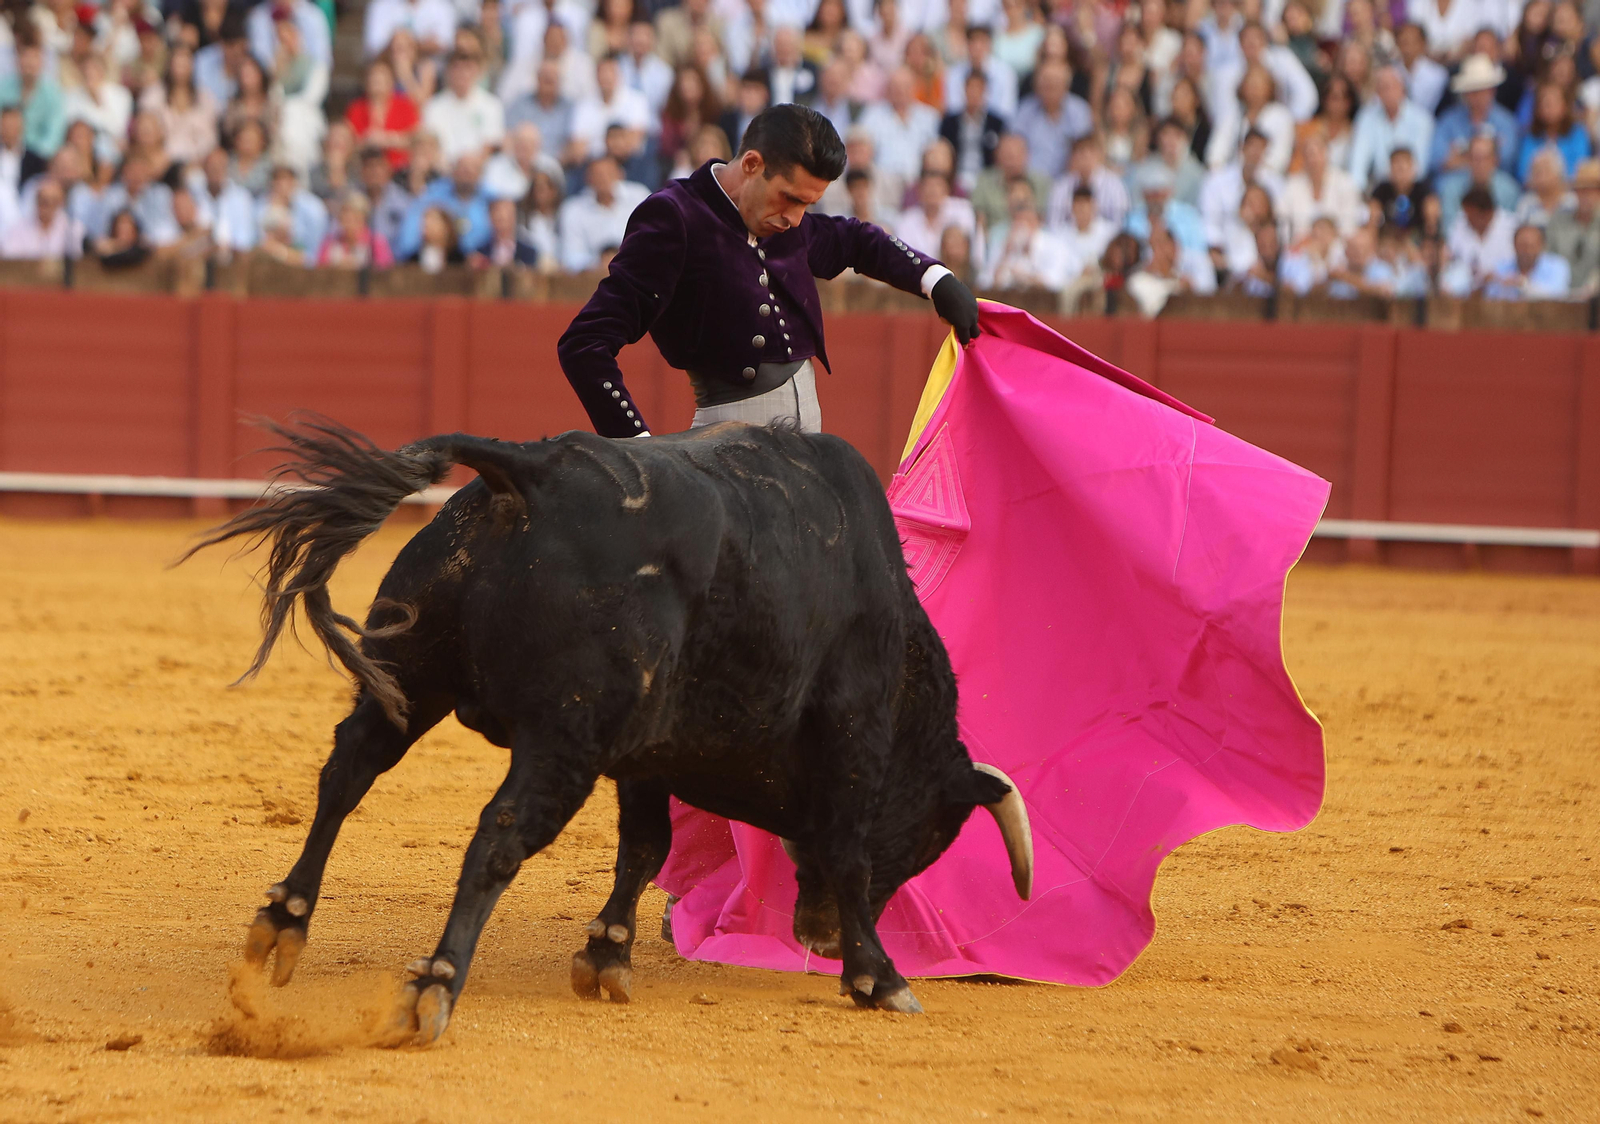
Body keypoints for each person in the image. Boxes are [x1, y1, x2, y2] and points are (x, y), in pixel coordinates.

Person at [557, 104, 979, 438]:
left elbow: (856, 240)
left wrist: (935, 279)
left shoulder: (777, 218)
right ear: (753, 165)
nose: (795, 219)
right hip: (727, 445)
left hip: (808, 437)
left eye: (807, 205)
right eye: (789, 198)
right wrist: (637, 447)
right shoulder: (674, 218)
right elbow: (585, 342)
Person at [1431, 54, 1521, 176]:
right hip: (1455, 184)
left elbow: (1506, 159)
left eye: (1482, 90)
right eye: (1472, 91)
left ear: (1492, 91)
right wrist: (1485, 158)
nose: (1477, 97)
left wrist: (1461, 158)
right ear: (1465, 94)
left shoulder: (1506, 122)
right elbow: (1438, 160)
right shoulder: (1448, 121)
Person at [556, 153, 648, 272]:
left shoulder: (640, 197)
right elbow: (571, 256)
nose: (603, 179)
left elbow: (652, 238)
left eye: (608, 174)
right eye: (597, 175)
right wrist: (599, 264)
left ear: (620, 174)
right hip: (593, 280)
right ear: (587, 178)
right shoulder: (573, 209)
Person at [1349, 66, 1434, 188]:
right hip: (1378, 188)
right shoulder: (1366, 117)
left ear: (1402, 88)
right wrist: (1358, 191)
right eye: (1383, 88)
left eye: (1392, 86)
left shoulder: (1422, 119)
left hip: (1413, 188)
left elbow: (1419, 167)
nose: (1388, 92)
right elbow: (1358, 162)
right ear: (1377, 93)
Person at [424, 49, 506, 163]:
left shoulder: (492, 105)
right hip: (444, 171)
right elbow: (432, 146)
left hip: (479, 171)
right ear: (448, 71)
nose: (462, 73)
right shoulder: (433, 106)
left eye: (467, 68)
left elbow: (490, 147)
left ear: (478, 72)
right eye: (457, 68)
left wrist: (469, 168)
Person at [939, 70, 1003, 195]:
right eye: (971, 88)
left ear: (986, 92)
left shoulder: (997, 123)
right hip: (956, 176)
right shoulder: (949, 122)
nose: (974, 93)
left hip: (986, 177)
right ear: (964, 90)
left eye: (979, 89)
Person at [895, 168, 976, 258]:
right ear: (919, 191)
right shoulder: (906, 220)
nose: (933, 191)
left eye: (938, 186)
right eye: (928, 186)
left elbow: (973, 251)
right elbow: (903, 256)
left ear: (947, 190)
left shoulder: (962, 211)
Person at [1546, 157, 1600, 293]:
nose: (1586, 196)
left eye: (1592, 190)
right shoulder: (1558, 222)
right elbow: (1547, 260)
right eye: (1581, 190)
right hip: (1559, 296)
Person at [0, 174, 83, 258]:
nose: (47, 205)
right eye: (43, 200)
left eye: (53, 201)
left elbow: (78, 260)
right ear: (36, 200)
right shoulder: (18, 229)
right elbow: (9, 258)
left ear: (61, 203)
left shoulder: (72, 229)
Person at [1484, 222, 1572, 298]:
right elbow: (1491, 296)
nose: (1527, 251)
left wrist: (1523, 285)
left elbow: (1557, 296)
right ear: (1514, 245)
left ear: (1542, 246)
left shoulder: (1558, 266)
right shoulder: (1501, 268)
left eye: (1532, 246)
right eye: (1522, 245)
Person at [317, 190, 395, 267]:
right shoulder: (331, 242)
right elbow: (320, 268)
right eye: (344, 215)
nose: (347, 221)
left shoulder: (375, 243)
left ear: (363, 218)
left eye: (353, 217)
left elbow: (385, 270)